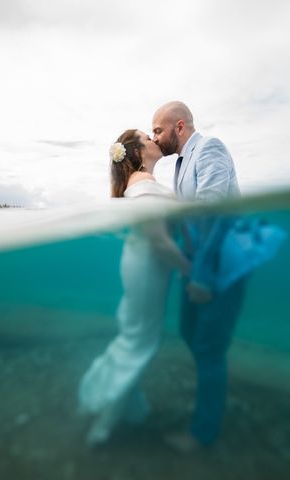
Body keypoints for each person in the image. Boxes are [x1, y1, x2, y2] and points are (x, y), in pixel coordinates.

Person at [78, 129, 191, 446]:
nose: (155, 140)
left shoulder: (139, 182)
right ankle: (104, 421)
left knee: (134, 337)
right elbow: (159, 239)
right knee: (140, 342)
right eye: (148, 138)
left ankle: (108, 401)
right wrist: (190, 272)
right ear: (139, 153)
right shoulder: (143, 184)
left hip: (141, 263)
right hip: (148, 265)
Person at [152, 101, 246, 451]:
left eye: (158, 130)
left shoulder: (210, 149)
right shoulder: (180, 164)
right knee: (190, 332)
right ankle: (213, 392)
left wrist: (202, 278)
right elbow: (186, 221)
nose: (154, 136)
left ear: (179, 127)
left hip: (220, 268)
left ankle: (203, 434)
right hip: (199, 268)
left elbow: (212, 215)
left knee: (208, 346)